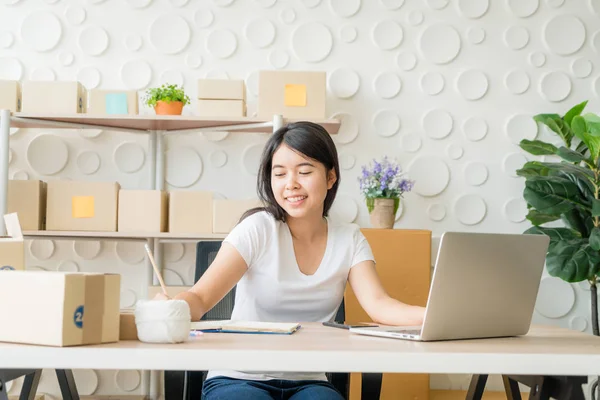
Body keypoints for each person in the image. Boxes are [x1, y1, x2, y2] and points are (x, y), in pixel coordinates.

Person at [156, 121, 426, 400]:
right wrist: (172, 308)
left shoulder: (349, 238)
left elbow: (380, 306)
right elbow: (200, 298)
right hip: (239, 377)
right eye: (280, 173)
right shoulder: (258, 228)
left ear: (331, 177)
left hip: (308, 381)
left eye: (305, 171)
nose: (291, 184)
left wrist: (435, 316)